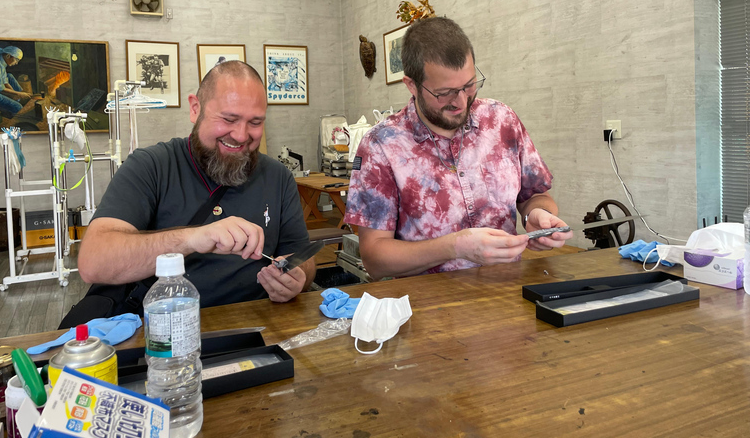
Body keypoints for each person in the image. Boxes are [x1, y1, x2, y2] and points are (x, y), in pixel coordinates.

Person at [344, 17, 573, 279]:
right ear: (412, 85)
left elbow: (535, 196)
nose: (461, 102)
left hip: (507, 294)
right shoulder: (382, 145)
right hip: (429, 307)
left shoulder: (501, 120)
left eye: (469, 86)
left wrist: (539, 215)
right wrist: (455, 247)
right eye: (445, 93)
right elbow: (375, 259)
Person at [78, 60, 314, 308]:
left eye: (255, 123)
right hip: (161, 330)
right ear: (195, 108)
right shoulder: (151, 166)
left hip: (257, 328)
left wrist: (297, 277)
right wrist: (193, 239)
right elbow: (94, 262)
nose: (242, 135)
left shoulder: (278, 177)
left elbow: (301, 257)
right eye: (229, 119)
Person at [0, 46, 32, 117]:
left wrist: (14, 94)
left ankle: (20, 99)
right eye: (16, 60)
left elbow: (5, 82)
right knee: (17, 107)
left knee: (10, 76)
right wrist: (17, 94)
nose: (17, 63)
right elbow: (0, 89)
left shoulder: (1, 62)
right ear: (8, 56)